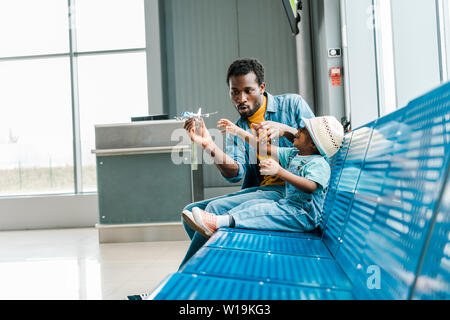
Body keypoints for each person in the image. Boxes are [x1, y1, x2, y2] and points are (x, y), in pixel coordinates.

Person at [179, 58, 315, 267]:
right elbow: (236, 173)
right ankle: (213, 268)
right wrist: (209, 145)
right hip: (263, 191)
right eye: (235, 92)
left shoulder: (292, 105)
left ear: (261, 88)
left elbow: (319, 143)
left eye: (248, 90)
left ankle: (183, 283)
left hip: (290, 190)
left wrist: (286, 130)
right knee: (190, 212)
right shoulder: (237, 128)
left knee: (213, 209)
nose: (241, 98)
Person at [186, 116, 344, 238]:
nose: (298, 130)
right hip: (289, 205)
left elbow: (312, 186)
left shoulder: (319, 164)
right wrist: (237, 131)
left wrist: (280, 172)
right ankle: (218, 222)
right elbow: (263, 147)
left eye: (303, 130)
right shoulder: (295, 154)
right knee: (254, 204)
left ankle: (217, 222)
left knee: (261, 210)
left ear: (313, 145)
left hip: (302, 215)